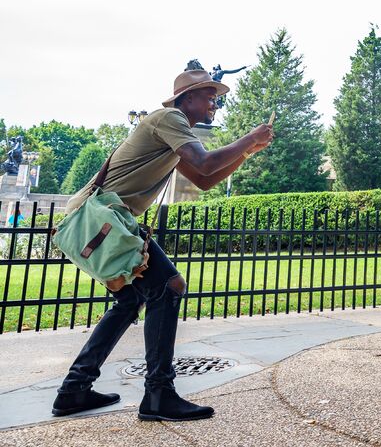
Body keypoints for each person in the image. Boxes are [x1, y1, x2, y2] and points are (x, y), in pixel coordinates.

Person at [52, 69, 274, 421]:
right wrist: (248, 138)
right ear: (186, 98)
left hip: (112, 220)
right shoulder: (169, 117)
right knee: (170, 285)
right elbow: (204, 161)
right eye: (209, 95)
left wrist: (247, 153)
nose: (215, 102)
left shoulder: (175, 131)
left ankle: (74, 390)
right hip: (106, 218)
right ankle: (158, 394)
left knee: (131, 299)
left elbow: (203, 179)